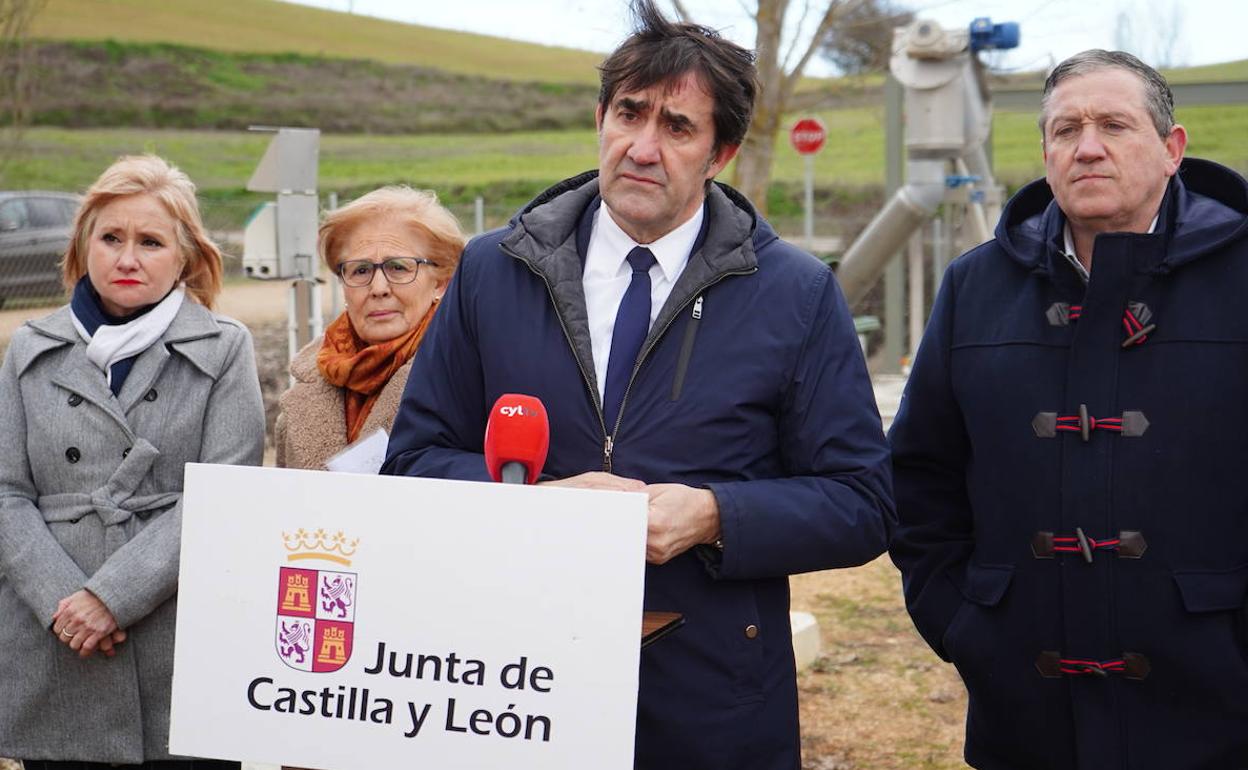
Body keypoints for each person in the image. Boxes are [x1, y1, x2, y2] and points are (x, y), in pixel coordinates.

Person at [381, 3, 894, 767]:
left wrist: (717, 515)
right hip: (517, 684)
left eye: (678, 128)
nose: (643, 148)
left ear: (720, 152)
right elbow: (413, 464)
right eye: (629, 114)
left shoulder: (796, 293)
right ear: (599, 117)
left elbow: (863, 503)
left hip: (711, 696)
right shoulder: (493, 270)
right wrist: (534, 503)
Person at [889, 50, 1248, 769]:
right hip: (1024, 708)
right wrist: (964, 621)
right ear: (1045, 152)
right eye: (1066, 129)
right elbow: (918, 473)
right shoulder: (974, 286)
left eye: (1114, 125)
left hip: (1217, 707)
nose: (1087, 146)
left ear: (1172, 149)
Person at [0, 154, 265, 766]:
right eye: (111, 238)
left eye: (150, 241)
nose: (127, 258)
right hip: (58, 640)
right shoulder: (29, 348)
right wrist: (63, 603)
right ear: (82, 246)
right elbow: (7, 492)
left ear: (186, 256)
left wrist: (112, 598)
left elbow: (224, 493)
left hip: (176, 631)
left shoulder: (224, 347)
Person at [274, 186, 464, 470]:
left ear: (441, 282)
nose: (378, 288)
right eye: (360, 270)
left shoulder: (466, 375)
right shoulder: (306, 388)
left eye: (399, 268)